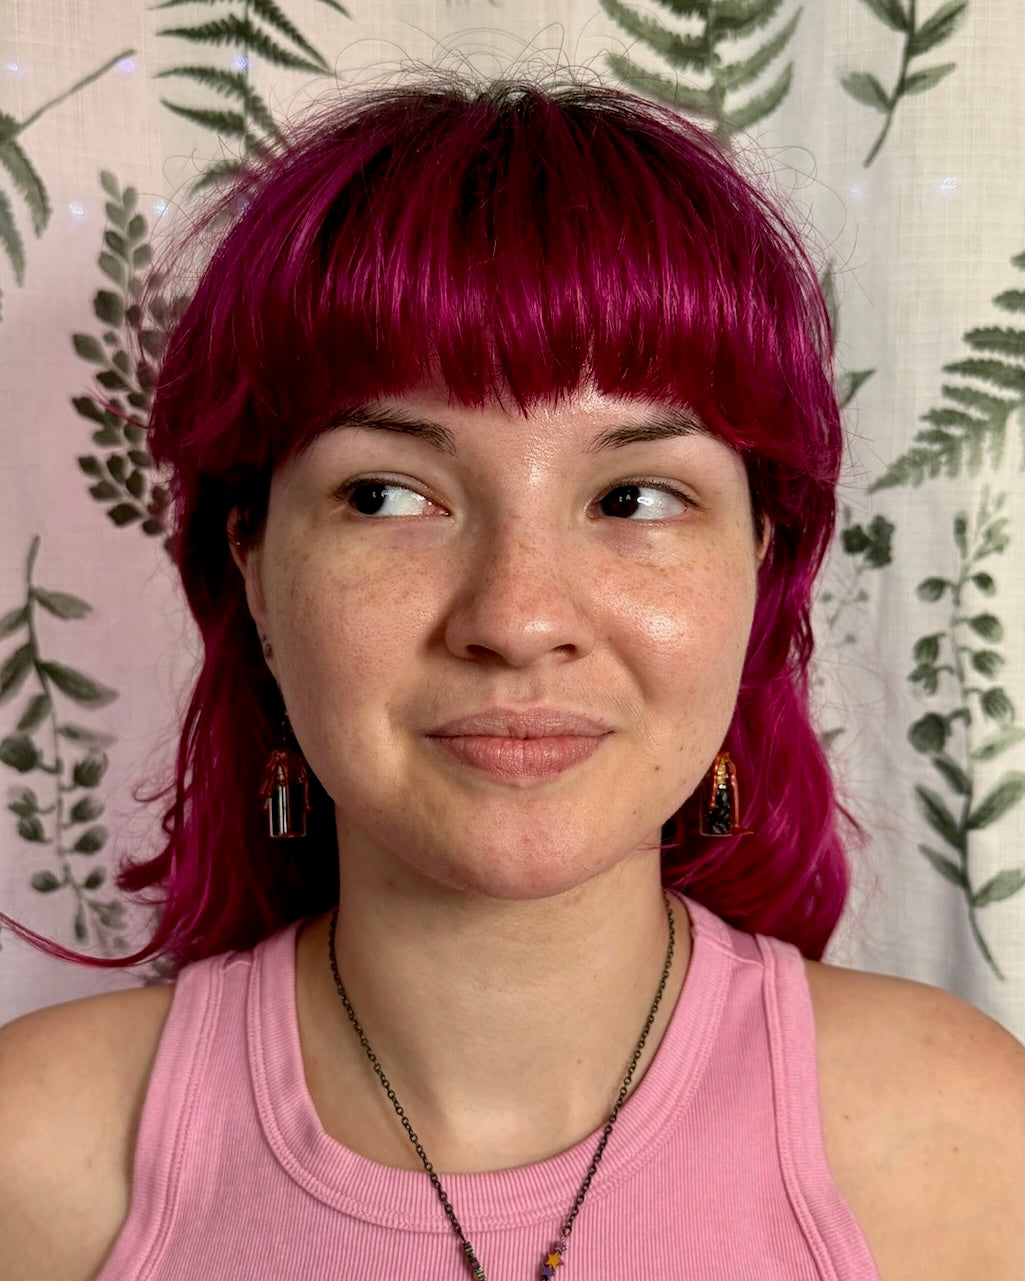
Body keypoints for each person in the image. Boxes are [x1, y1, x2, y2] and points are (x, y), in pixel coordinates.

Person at [0, 76, 1021, 1281]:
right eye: (386, 495)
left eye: (634, 497)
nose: (518, 618)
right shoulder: (36, 1162)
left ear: (759, 570)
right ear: (255, 570)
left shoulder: (965, 1142)